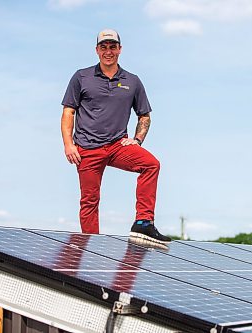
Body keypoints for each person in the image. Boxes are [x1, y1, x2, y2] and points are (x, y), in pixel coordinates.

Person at [60, 29, 171, 244]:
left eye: (112, 46)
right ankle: (92, 245)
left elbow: (144, 116)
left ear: (119, 49)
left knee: (151, 165)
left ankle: (143, 223)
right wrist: (68, 145)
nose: (108, 51)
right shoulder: (81, 77)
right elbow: (68, 112)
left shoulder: (132, 81)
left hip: (117, 146)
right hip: (87, 148)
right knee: (90, 201)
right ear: (97, 50)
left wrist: (137, 141)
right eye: (104, 47)